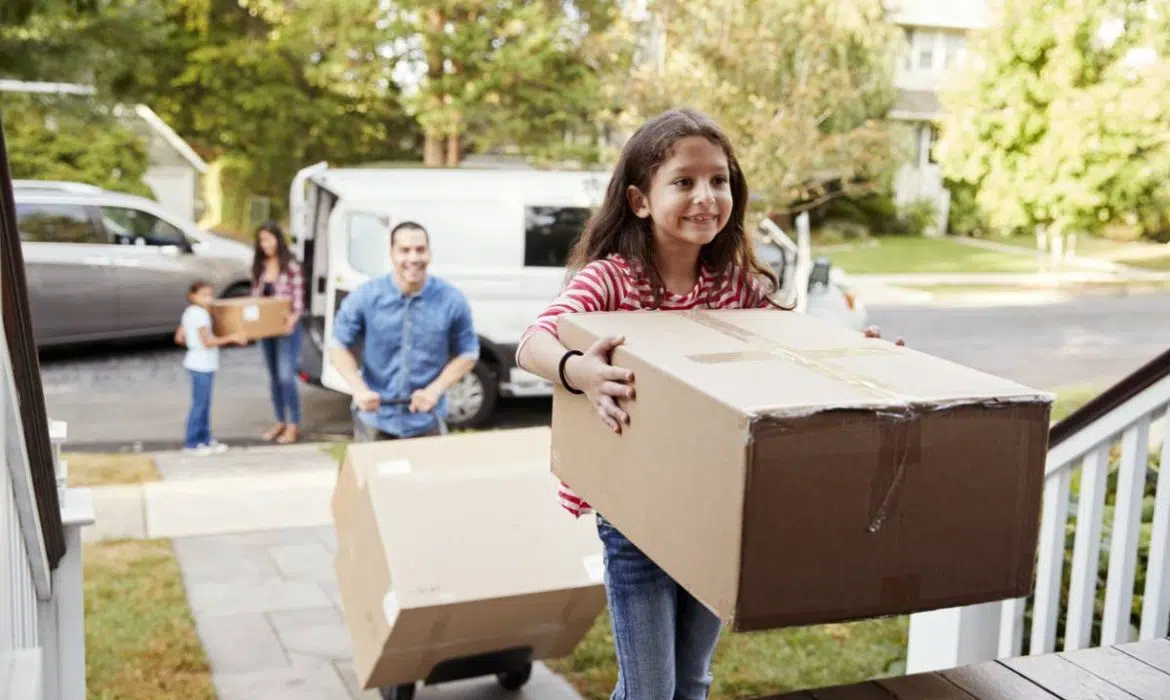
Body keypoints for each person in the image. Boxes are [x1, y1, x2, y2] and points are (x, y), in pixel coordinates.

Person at [515, 107, 904, 700]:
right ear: (641, 200)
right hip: (635, 513)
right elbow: (531, 342)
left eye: (719, 180)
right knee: (649, 691)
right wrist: (580, 372)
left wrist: (855, 355)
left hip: (713, 508)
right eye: (684, 181)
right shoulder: (613, 279)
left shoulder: (736, 284)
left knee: (692, 682)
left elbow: (793, 348)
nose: (706, 196)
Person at [328, 220, 480, 441]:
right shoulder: (365, 297)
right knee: (372, 476)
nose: (413, 258)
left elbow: (468, 353)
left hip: (428, 419)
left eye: (420, 250)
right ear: (391, 254)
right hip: (375, 420)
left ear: (429, 253)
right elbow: (338, 345)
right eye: (404, 250)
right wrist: (358, 388)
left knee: (428, 477)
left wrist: (435, 390)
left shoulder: (452, 300)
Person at [250, 221, 306, 444]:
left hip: (287, 329)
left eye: (269, 239)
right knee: (273, 378)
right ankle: (280, 421)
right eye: (262, 240)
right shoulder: (259, 266)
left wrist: (292, 319)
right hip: (266, 330)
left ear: (278, 239)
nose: (265, 244)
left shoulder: (290, 265)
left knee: (286, 377)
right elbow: (254, 300)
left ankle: (294, 425)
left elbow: (299, 300)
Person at [179, 280, 246, 455]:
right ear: (192, 296)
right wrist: (232, 338)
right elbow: (207, 341)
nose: (208, 299)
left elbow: (179, 337)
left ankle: (205, 438)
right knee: (200, 404)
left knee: (203, 403)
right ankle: (192, 442)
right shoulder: (200, 315)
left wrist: (192, 343)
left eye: (210, 295)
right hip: (202, 364)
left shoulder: (189, 313)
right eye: (204, 295)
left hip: (196, 361)